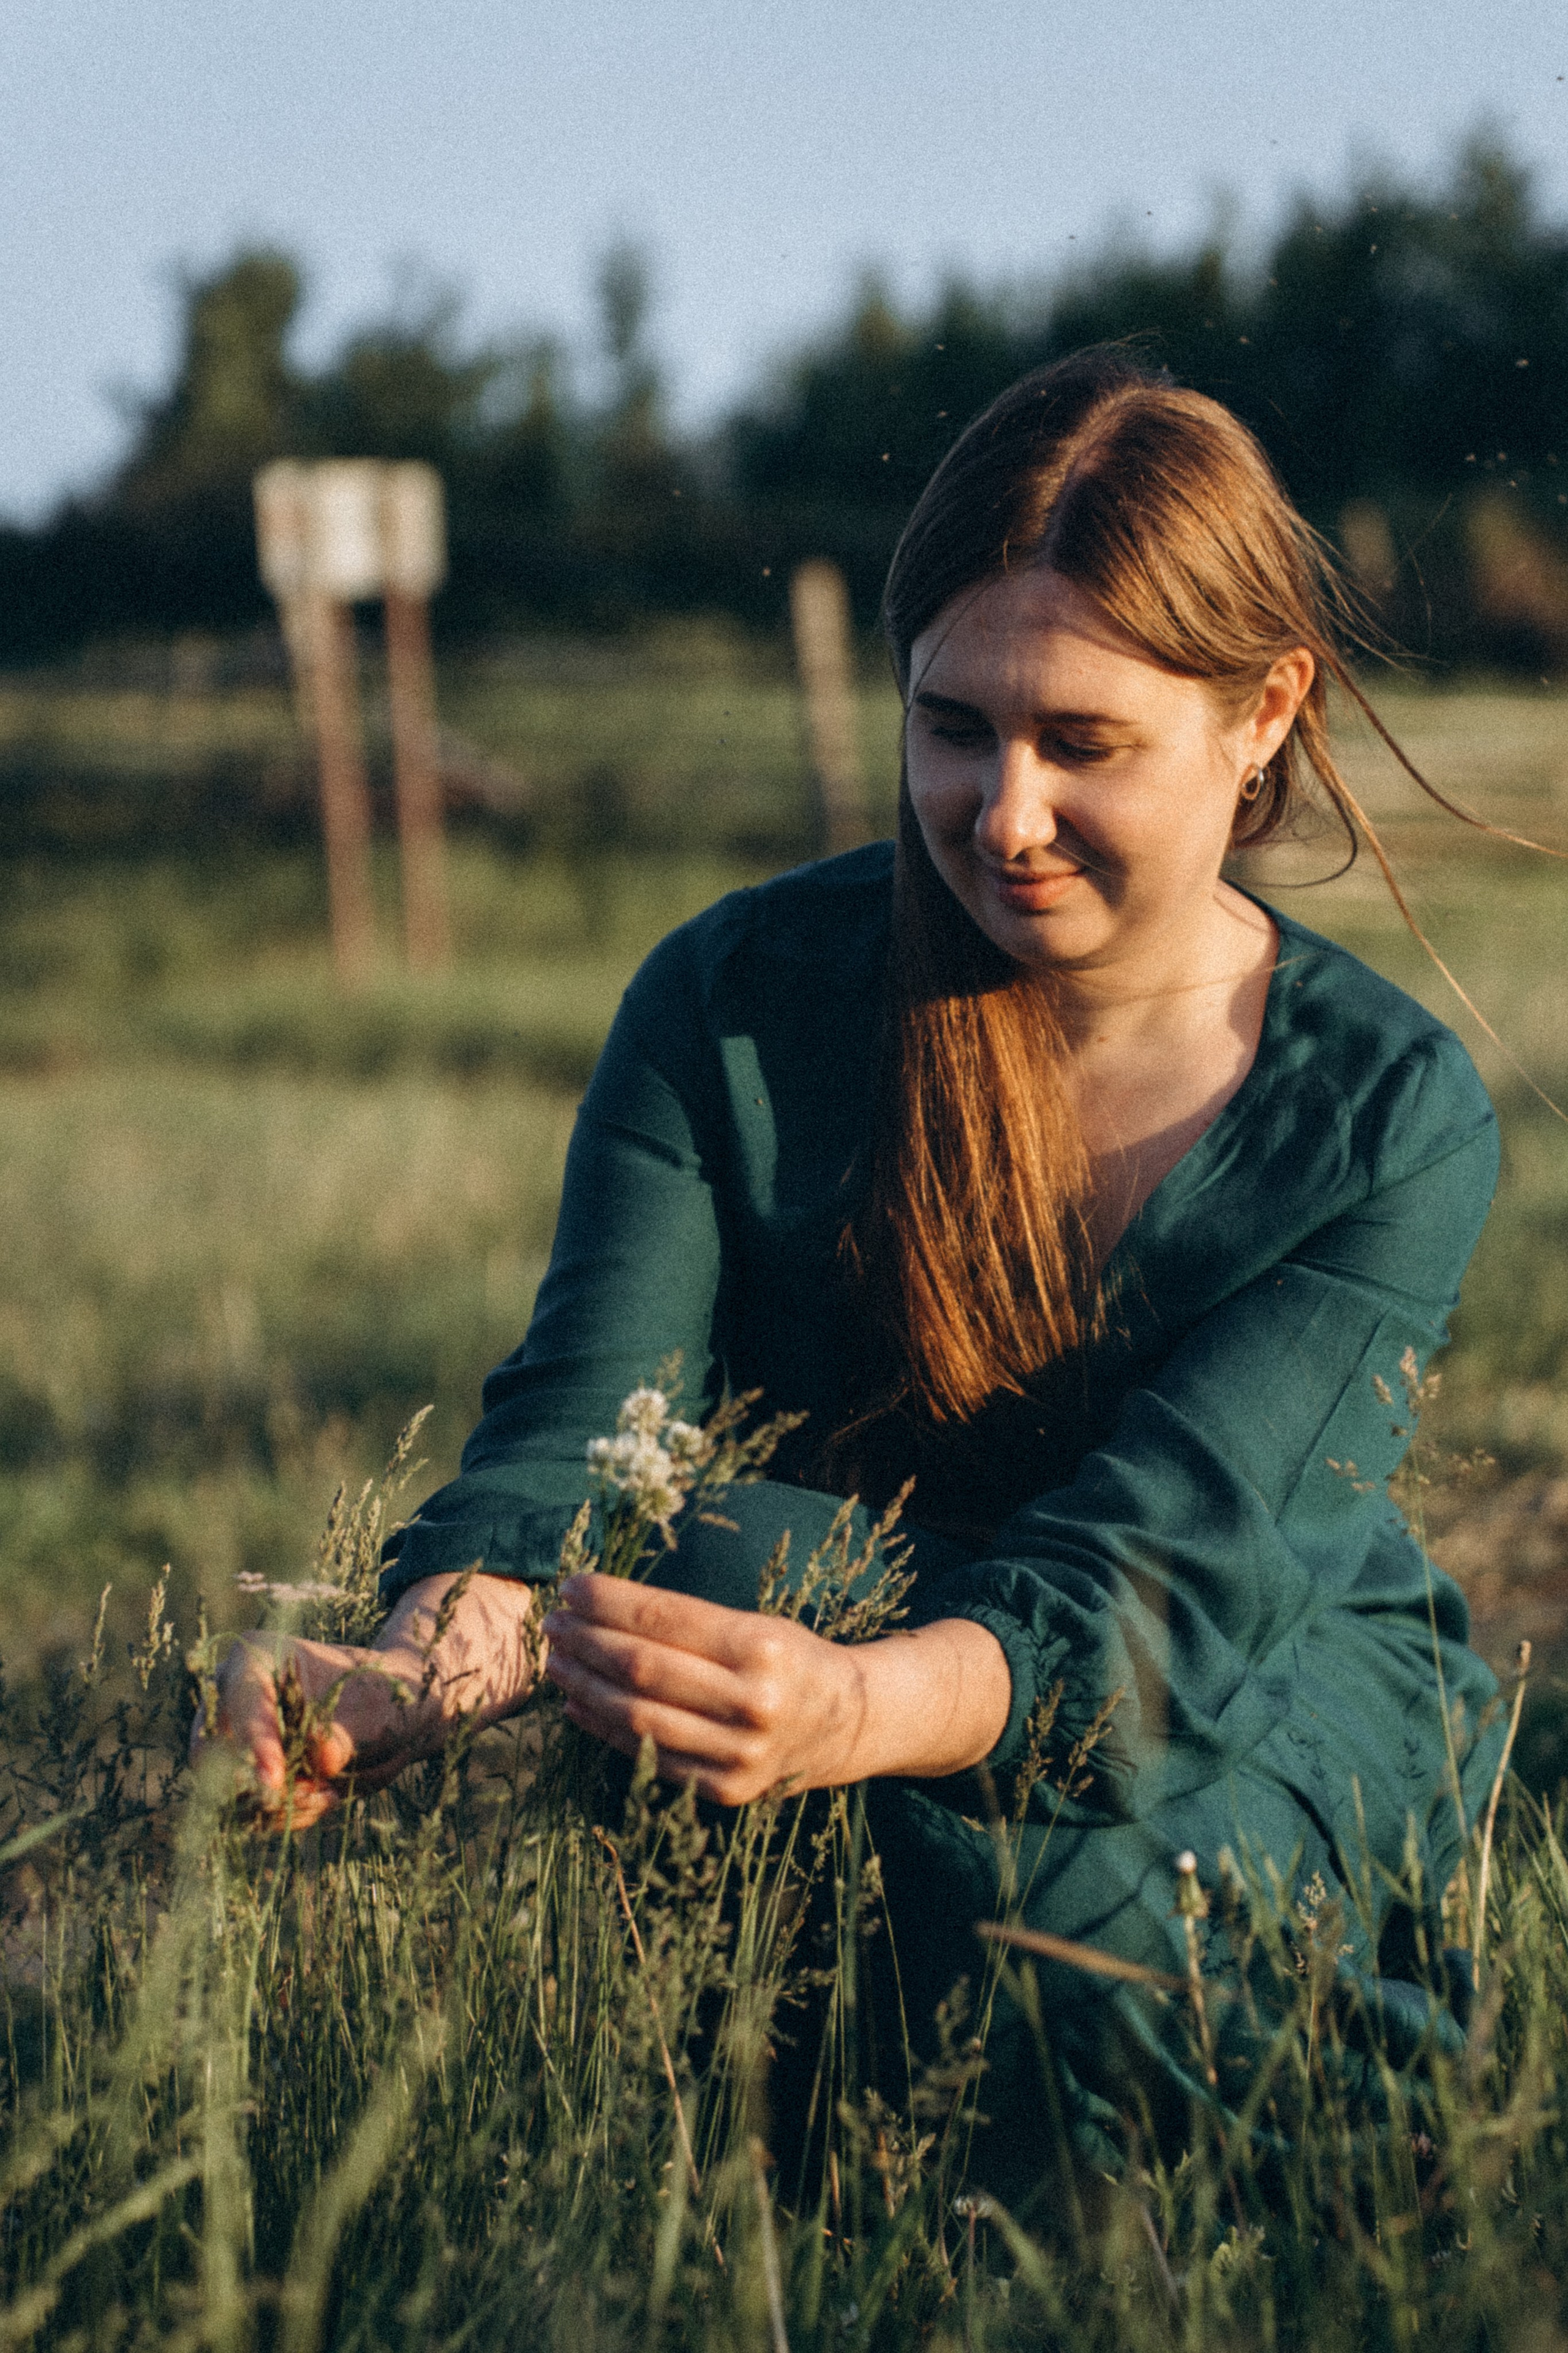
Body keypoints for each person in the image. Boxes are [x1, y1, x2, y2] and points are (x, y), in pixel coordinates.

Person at [206, 348, 1506, 2178]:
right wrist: (412, 1670)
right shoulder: (732, 1001)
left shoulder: (1386, 1115)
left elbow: (1157, 1599)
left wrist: (858, 1711)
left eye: (1084, 743)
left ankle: (1333, 2135)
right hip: (831, 1662)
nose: (1005, 815)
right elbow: (583, 1440)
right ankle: (806, 2167)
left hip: (1234, 1678)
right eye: (956, 726)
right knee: (711, 1562)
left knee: (1094, 1963)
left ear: (1264, 711)